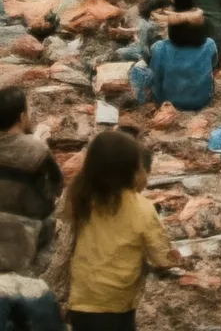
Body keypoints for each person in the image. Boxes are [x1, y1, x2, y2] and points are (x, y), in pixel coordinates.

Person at [62, 130, 179, 331]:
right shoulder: (141, 208)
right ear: (131, 171)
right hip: (117, 305)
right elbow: (162, 257)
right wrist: (175, 259)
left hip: (81, 300)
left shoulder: (79, 198)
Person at [0, 87, 63, 220]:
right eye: (29, 111)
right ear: (21, 117)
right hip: (30, 230)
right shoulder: (37, 149)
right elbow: (57, 186)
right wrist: (39, 142)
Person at [148, 0, 217, 111]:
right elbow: (213, 67)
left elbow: (156, 78)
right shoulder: (209, 45)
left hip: (169, 102)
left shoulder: (160, 49)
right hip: (201, 101)